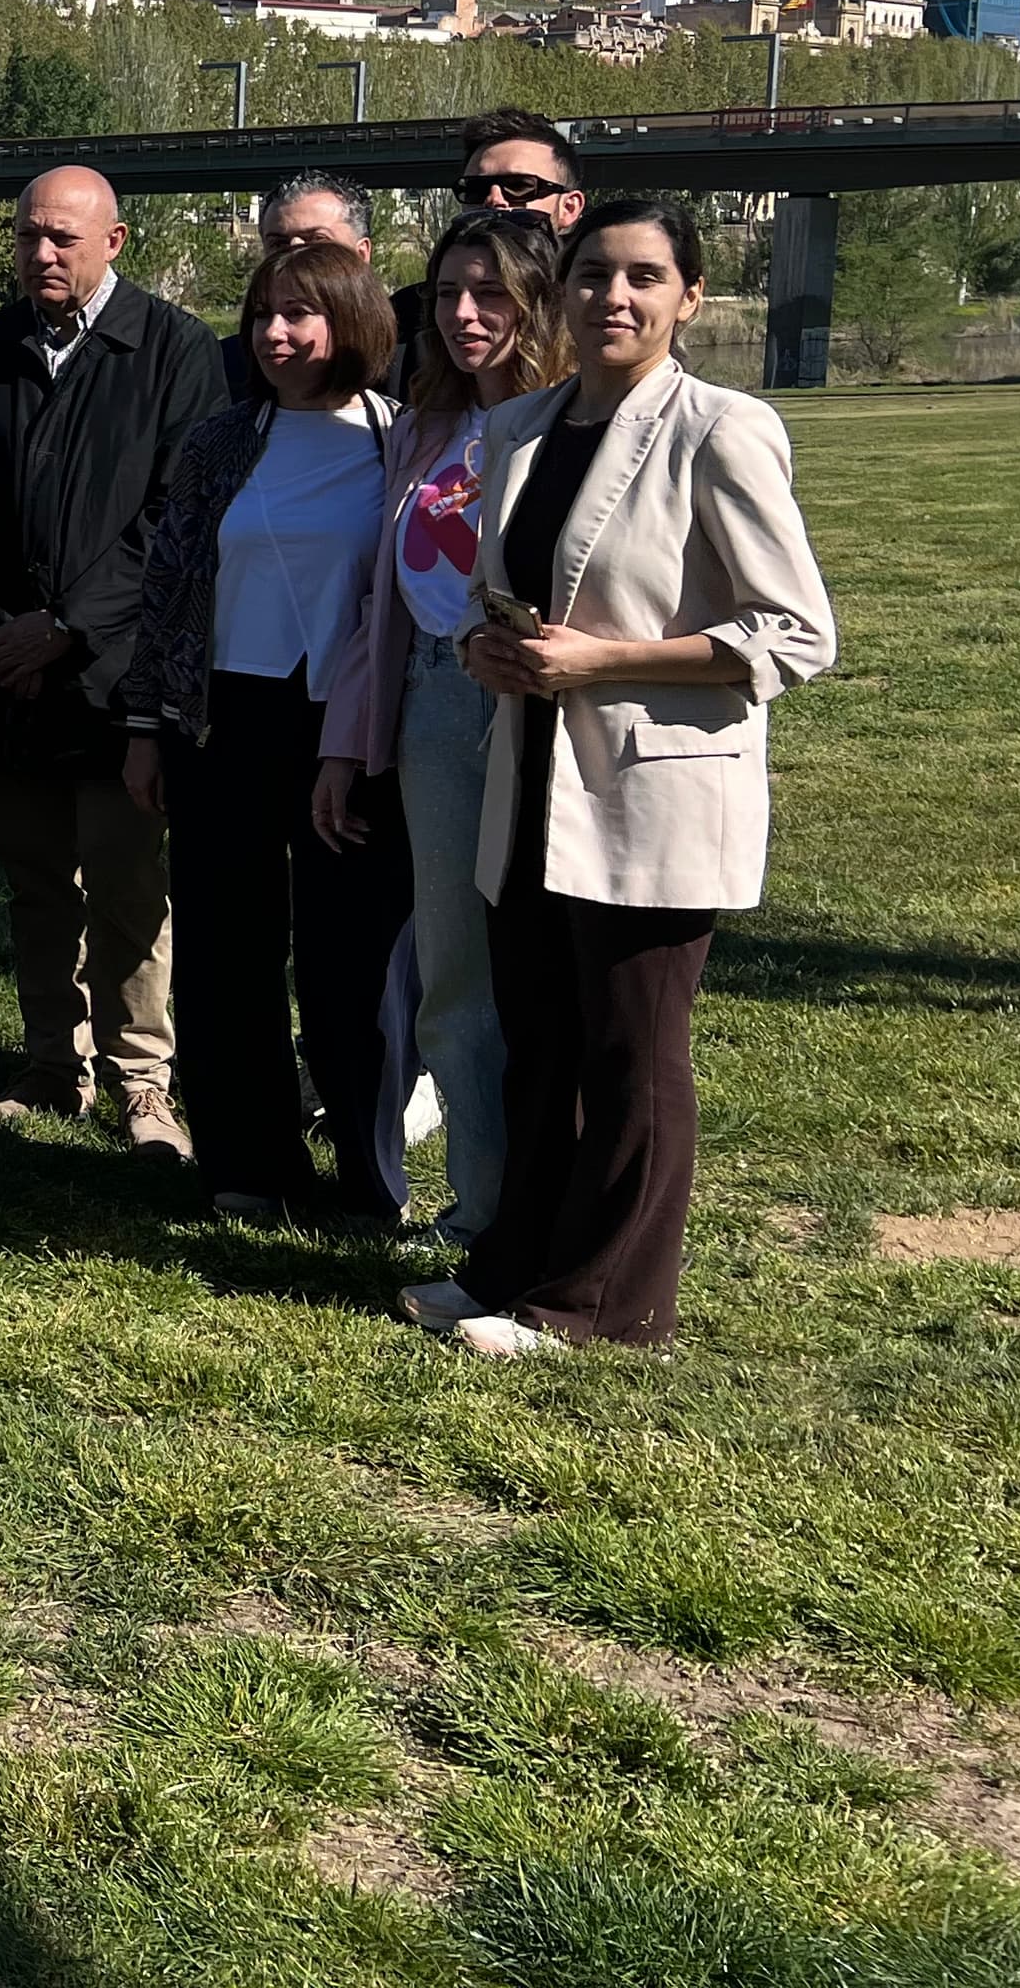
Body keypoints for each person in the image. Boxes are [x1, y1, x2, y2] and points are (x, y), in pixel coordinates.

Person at [403, 195, 836, 1356]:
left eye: (646, 277)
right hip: (531, 779)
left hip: (654, 784)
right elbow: (519, 595)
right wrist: (485, 650)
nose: (616, 298)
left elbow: (794, 634)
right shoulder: (522, 429)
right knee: (540, 1042)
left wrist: (607, 663)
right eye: (595, 275)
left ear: (689, 297)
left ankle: (604, 1305)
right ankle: (513, 1268)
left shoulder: (719, 428)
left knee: (632, 1054)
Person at [0, 166, 227, 1155]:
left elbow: (177, 522)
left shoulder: (177, 352)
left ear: (115, 241)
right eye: (28, 237)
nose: (42, 254)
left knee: (130, 884)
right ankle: (53, 1064)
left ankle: (146, 1083)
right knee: (36, 881)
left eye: (62, 238)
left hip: (118, 679)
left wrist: (69, 625)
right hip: (9, 671)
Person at [117, 245, 414, 1224]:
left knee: (351, 961)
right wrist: (147, 727)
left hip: (352, 728)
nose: (277, 335)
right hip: (221, 722)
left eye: (301, 315)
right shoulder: (216, 442)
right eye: (263, 316)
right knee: (227, 951)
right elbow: (166, 591)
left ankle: (370, 1181)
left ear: (353, 319)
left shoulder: (399, 446)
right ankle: (250, 1167)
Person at [315, 209, 571, 1247]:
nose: (466, 316)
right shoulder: (423, 425)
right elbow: (378, 605)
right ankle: (481, 1209)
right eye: (452, 293)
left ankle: (554, 1208)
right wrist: (344, 745)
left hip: (545, 710)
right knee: (457, 975)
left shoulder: (573, 423)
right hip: (428, 702)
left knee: (547, 969)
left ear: (539, 302)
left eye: (494, 293)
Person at [393, 112, 585, 391]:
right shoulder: (412, 314)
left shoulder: (594, 314)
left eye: (519, 186)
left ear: (569, 208)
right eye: (475, 189)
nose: (494, 200)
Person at [227, 173, 375, 400]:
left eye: (316, 241)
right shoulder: (229, 366)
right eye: (278, 244)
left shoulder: (414, 365)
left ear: (361, 254)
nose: (293, 255)